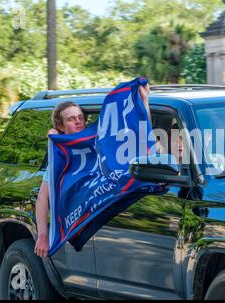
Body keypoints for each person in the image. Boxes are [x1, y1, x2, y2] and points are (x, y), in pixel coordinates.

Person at [35, 84, 151, 257]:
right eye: (71, 119)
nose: (78, 121)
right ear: (60, 126)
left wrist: (144, 101)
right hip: (84, 219)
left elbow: (141, 136)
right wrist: (43, 236)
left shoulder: (100, 139)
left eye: (80, 117)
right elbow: (43, 198)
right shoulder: (62, 157)